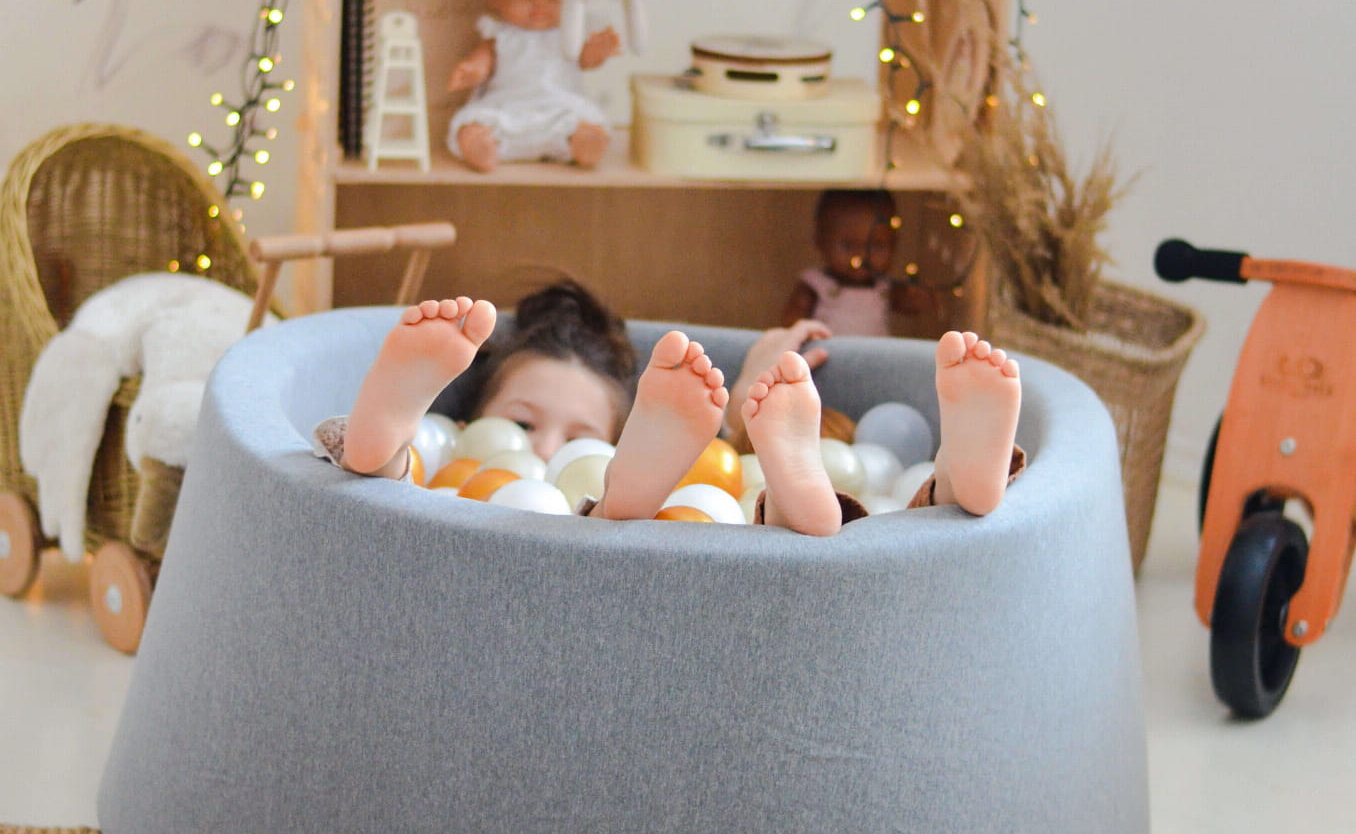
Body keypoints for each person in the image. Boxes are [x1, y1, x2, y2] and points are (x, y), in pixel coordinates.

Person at [315, 280, 1022, 538]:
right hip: (458, 506)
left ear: (621, 439)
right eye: (521, 424)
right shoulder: (455, 452)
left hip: (613, 524)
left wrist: (751, 394)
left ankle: (957, 479)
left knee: (715, 504)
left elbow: (718, 461)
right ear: (469, 421)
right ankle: (383, 441)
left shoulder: (654, 471)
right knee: (395, 477)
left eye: (581, 435)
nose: (546, 450)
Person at [447, 0, 621, 172]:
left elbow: (585, 60)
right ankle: (481, 146)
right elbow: (483, 60)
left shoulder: (569, 36)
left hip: (559, 108)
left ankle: (584, 144)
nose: (539, 5)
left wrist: (597, 51)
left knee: (584, 122)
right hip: (506, 109)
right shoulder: (499, 37)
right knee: (472, 125)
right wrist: (473, 69)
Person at [782, 188, 926, 338]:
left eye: (876, 246)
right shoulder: (816, 286)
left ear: (894, 244)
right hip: (828, 352)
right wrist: (800, 331)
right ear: (820, 241)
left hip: (874, 352)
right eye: (847, 246)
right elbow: (790, 323)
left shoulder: (884, 288)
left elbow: (911, 306)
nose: (862, 256)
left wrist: (916, 297)